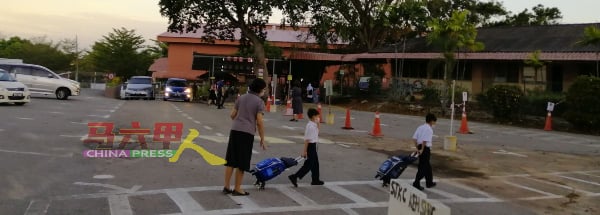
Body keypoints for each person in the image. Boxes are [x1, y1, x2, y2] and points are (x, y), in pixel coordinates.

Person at [223, 78, 267, 196]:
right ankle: (237, 188)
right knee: (242, 162)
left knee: (231, 160)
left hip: (235, 130)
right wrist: (262, 138)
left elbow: (232, 115)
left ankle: (227, 187)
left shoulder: (241, 98)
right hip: (247, 133)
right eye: (264, 89)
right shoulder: (259, 102)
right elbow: (259, 121)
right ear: (260, 89)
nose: (264, 91)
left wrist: (239, 121)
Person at [288, 108, 324, 187]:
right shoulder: (310, 126)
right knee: (309, 165)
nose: (319, 117)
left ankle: (315, 180)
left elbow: (318, 131)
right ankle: (294, 176)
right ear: (313, 116)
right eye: (317, 116)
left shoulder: (313, 124)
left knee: (315, 164)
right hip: (310, 146)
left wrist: (318, 123)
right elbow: (307, 140)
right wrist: (304, 151)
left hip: (314, 146)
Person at [412, 113, 437, 191]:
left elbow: (414, 138)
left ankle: (429, 182)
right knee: (423, 167)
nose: (434, 123)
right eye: (434, 122)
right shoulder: (429, 129)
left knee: (427, 166)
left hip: (420, 147)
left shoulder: (420, 127)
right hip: (425, 149)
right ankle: (416, 182)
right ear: (431, 121)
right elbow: (425, 140)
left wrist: (417, 148)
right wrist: (422, 149)